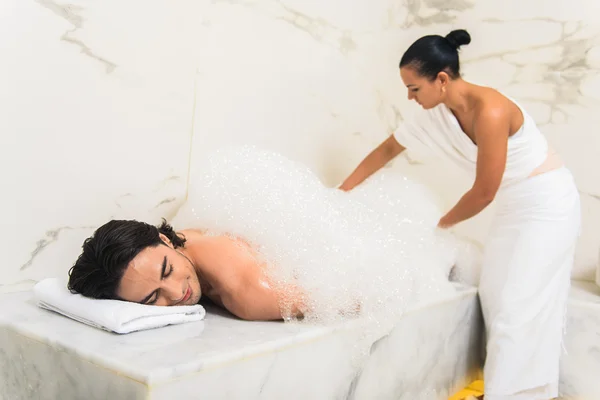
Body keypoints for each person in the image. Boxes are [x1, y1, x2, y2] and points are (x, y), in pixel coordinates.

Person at [339, 29, 581, 400]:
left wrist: (438, 226)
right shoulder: (437, 113)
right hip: (514, 204)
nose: (409, 97)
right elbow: (387, 150)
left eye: (414, 88)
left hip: (547, 203)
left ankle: (510, 394)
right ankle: (529, 391)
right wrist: (341, 193)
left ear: (441, 79)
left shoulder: (492, 110)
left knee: (519, 302)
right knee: (497, 295)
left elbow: (484, 190)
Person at [67, 219, 305, 321]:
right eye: (152, 298)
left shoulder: (249, 294)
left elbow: (336, 299)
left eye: (167, 271)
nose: (175, 293)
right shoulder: (178, 243)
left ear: (165, 240)